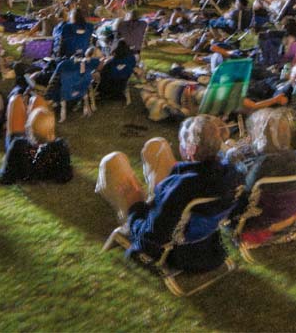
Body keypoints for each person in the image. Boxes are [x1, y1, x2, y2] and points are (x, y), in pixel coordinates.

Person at [96, 115, 242, 273]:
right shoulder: (231, 172)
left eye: (182, 142)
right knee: (156, 145)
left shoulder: (182, 187)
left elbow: (152, 235)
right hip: (205, 243)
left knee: (111, 162)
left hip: (174, 251)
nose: (180, 146)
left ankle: (126, 221)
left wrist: (135, 205)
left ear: (190, 150)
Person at [0, 91, 73, 184]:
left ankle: (33, 121)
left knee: (16, 100)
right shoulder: (60, 147)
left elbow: (5, 177)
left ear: (28, 129)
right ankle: (39, 124)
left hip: (25, 146)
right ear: (52, 130)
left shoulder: (18, 145)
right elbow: (66, 175)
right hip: (43, 143)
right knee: (38, 99)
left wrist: (6, 160)